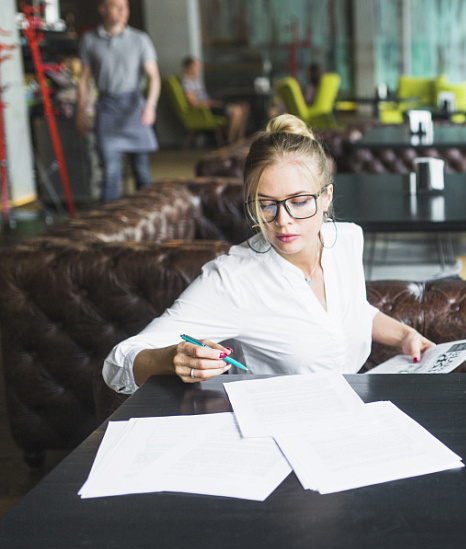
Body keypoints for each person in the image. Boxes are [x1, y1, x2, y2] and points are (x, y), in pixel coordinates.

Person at [102, 114, 435, 394]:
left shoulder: (345, 238)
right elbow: (117, 364)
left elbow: (350, 311)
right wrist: (169, 358)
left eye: (300, 201)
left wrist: (404, 335)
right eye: (266, 204)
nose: (282, 220)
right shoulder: (233, 279)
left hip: (354, 413)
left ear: (326, 197)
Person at [76, 0, 160, 204]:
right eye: (116, 6)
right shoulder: (89, 40)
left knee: (141, 172)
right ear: (102, 9)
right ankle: (108, 226)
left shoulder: (140, 39)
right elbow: (83, 80)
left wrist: (150, 106)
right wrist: (80, 112)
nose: (123, 11)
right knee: (110, 172)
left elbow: (154, 77)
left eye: (126, 6)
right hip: (107, 109)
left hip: (134, 108)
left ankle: (147, 219)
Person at [181, 56, 249, 144]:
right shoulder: (187, 83)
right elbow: (193, 103)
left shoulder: (195, 81)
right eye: (195, 67)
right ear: (186, 68)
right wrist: (212, 103)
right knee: (236, 111)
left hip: (210, 104)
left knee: (245, 106)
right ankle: (230, 141)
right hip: (206, 109)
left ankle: (240, 139)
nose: (198, 69)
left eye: (198, 66)